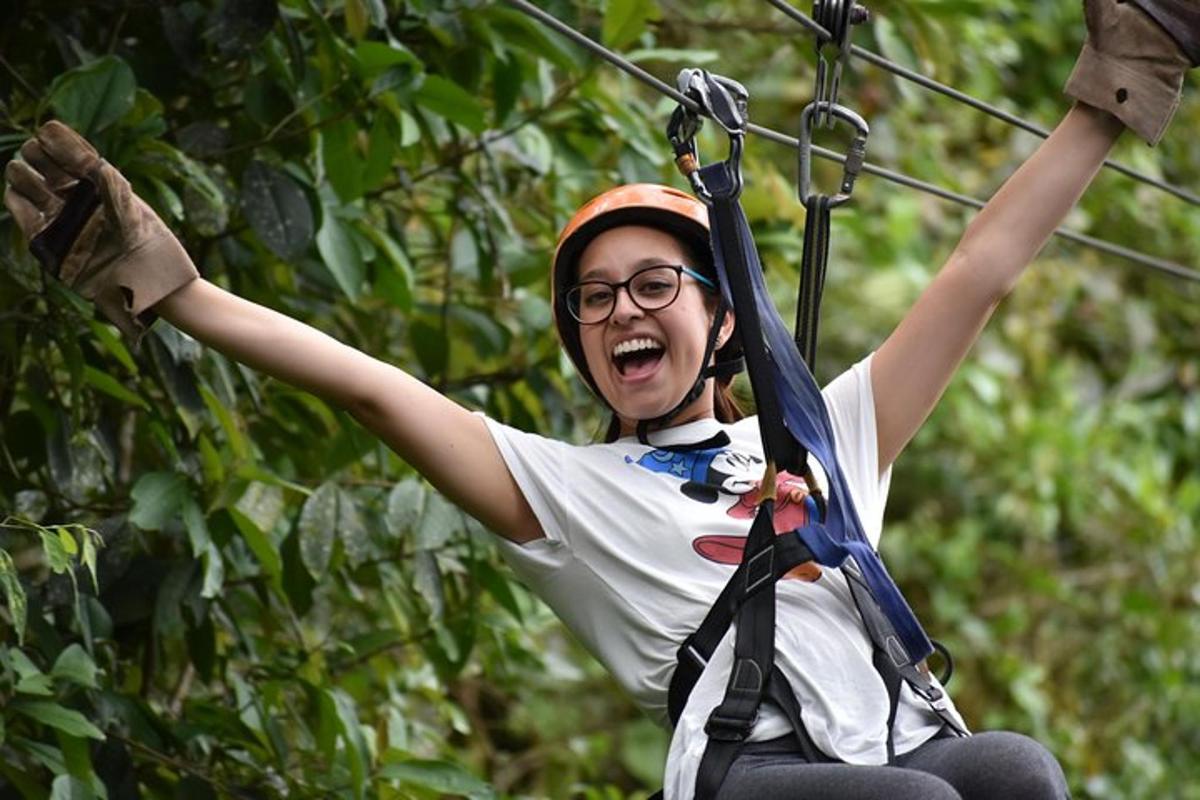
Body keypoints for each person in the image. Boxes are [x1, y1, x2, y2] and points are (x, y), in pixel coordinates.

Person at [4, 1, 1196, 797]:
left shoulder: (824, 430)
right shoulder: (569, 493)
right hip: (753, 768)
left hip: (893, 738)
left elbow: (976, 273)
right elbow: (376, 391)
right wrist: (180, 290)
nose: (623, 310)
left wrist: (1109, 96)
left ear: (722, 315)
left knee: (1015, 775)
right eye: (593, 298)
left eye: (655, 284)